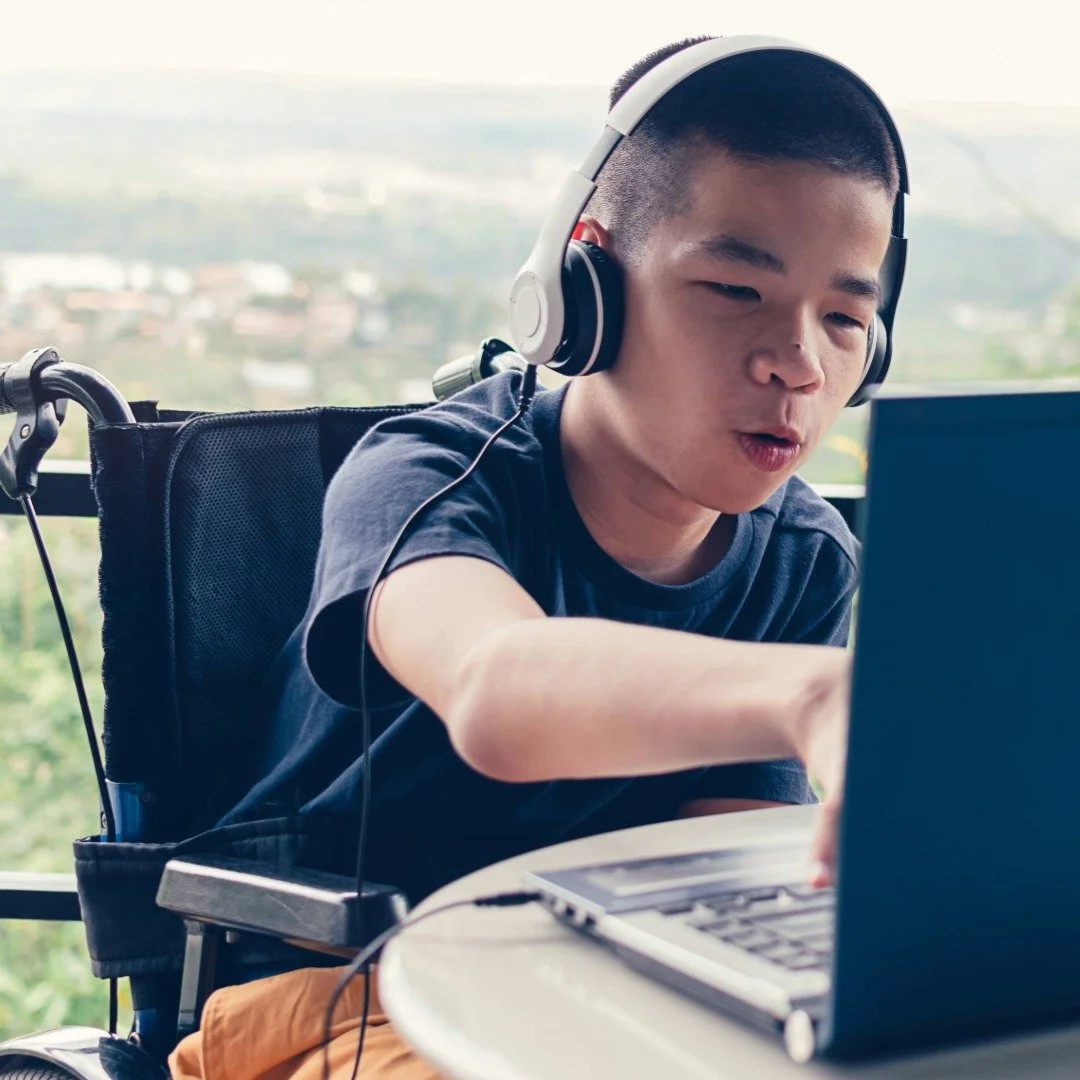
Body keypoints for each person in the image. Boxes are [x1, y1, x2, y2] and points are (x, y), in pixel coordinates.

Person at [173, 35, 902, 1080]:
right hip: (339, 990)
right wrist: (812, 694)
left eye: (843, 318)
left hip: (602, 996)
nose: (796, 362)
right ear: (585, 284)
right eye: (736, 292)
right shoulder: (428, 476)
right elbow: (495, 690)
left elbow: (718, 864)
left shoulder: (802, 559)